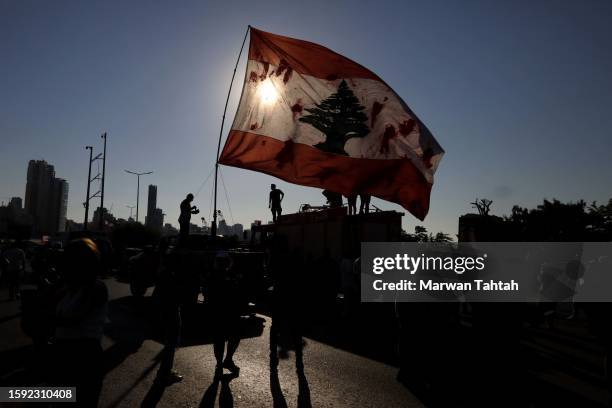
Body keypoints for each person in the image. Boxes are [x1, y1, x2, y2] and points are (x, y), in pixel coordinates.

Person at [53, 238, 108, 407]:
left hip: (84, 356)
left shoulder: (96, 288)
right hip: (63, 353)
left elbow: (74, 318)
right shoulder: (69, 287)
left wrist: (47, 318)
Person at [152, 240, 184, 385]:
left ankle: (165, 372)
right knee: (171, 344)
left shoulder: (164, 272)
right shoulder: (169, 275)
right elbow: (174, 296)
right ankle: (164, 374)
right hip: (170, 312)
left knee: (169, 344)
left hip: (166, 312)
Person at [207, 252, 242, 377]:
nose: (223, 263)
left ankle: (227, 360)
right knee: (220, 339)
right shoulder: (213, 276)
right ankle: (220, 363)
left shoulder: (231, 275)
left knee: (233, 337)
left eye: (224, 260)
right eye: (220, 260)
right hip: (220, 313)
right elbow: (209, 295)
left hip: (231, 312)